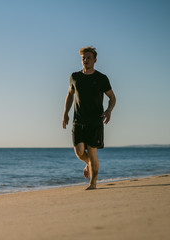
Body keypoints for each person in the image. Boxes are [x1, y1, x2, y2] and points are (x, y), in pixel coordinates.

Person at [62, 46, 116, 190]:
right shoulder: (75, 77)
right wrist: (65, 113)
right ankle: (88, 164)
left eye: (88, 58)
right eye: (83, 58)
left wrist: (109, 110)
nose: (85, 60)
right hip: (78, 121)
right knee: (79, 151)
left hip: (95, 122)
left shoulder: (101, 78)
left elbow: (112, 97)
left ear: (95, 60)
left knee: (92, 153)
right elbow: (70, 95)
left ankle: (93, 184)